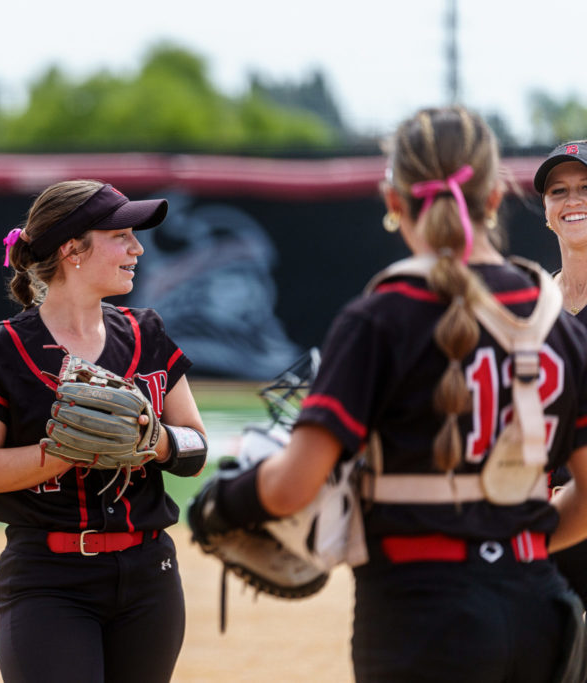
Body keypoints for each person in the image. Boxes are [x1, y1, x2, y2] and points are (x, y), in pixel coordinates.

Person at [191, 107, 587, 682]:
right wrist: (511, 541)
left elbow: (293, 485)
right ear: (496, 200)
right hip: (538, 610)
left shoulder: (381, 317)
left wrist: (223, 503)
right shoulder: (555, 321)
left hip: (420, 613)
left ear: (394, 201)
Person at [0, 180, 208, 683]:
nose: (136, 248)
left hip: (149, 576)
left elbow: (195, 445)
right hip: (49, 581)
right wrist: (65, 451)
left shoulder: (147, 333)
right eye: (121, 235)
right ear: (72, 249)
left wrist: (156, 442)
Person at [535, 140, 587, 608]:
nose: (573, 200)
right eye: (559, 191)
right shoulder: (532, 310)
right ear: (547, 210)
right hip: (547, 526)